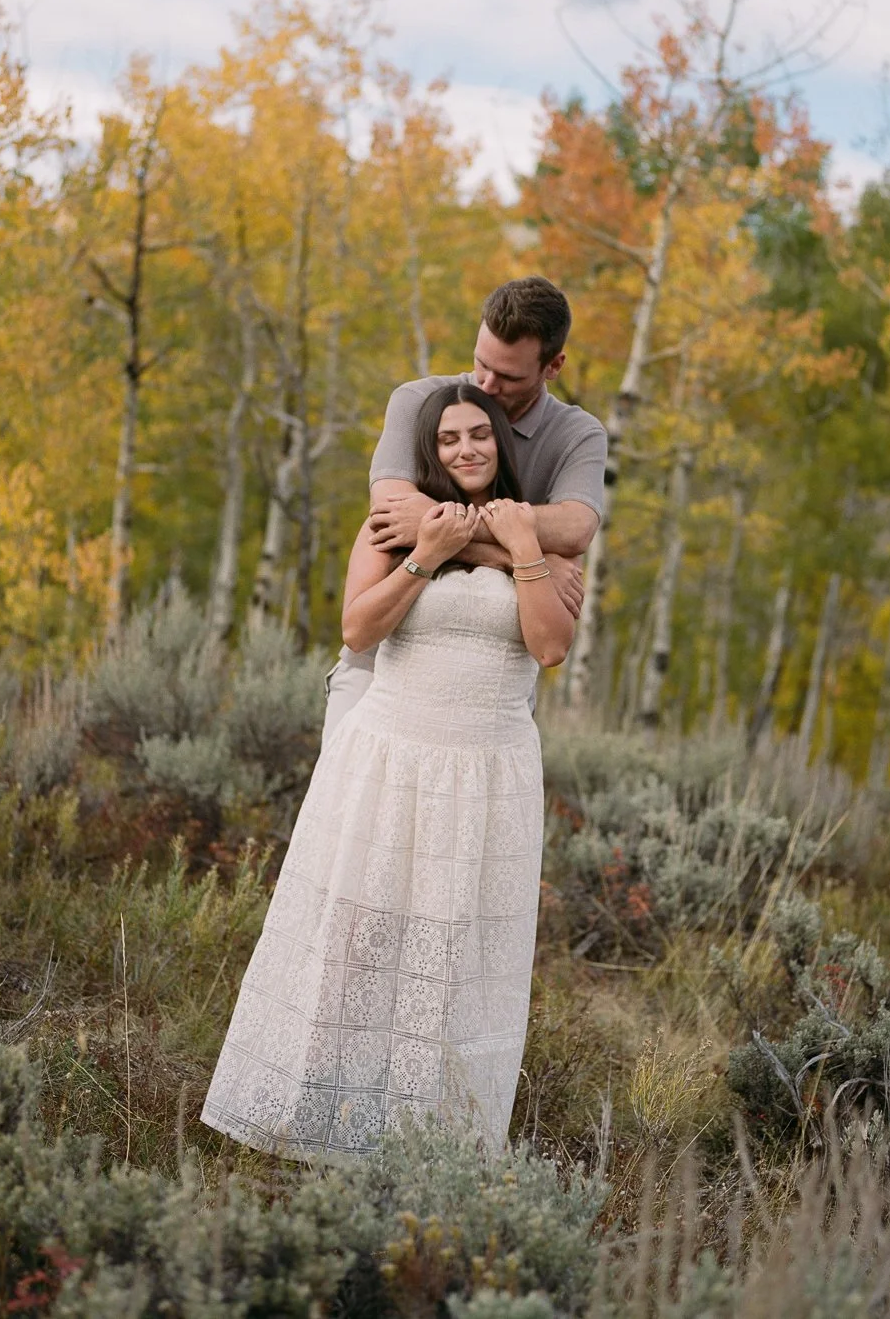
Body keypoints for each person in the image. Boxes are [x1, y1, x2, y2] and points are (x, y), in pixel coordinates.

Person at [201, 384, 574, 1157]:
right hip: (389, 753)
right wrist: (426, 558)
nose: (464, 449)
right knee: (357, 934)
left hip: (487, 771)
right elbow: (357, 627)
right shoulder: (394, 522)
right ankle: (314, 1120)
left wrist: (524, 547)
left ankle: (424, 1137)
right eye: (446, 439)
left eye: (479, 435)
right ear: (428, 451)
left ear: (502, 446)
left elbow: (549, 647)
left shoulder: (542, 538)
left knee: (454, 947)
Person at [322, 275, 607, 741]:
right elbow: (394, 512)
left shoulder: (577, 435)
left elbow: (574, 529)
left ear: (553, 366)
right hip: (381, 671)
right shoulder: (418, 401)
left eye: (509, 376)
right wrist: (522, 558)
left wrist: (441, 528)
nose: (486, 385)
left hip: (488, 698)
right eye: (480, 364)